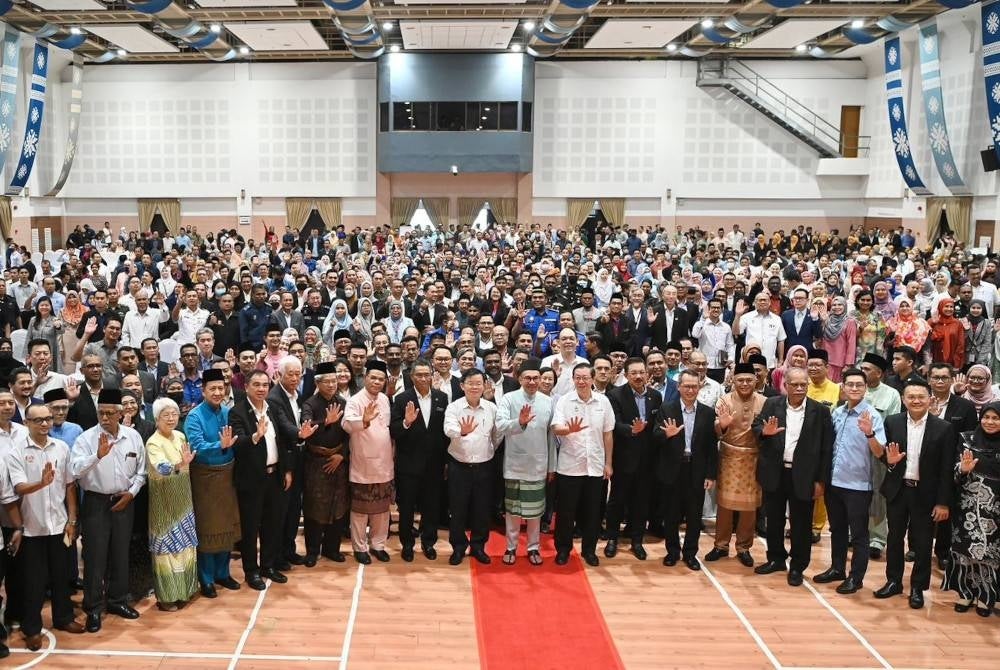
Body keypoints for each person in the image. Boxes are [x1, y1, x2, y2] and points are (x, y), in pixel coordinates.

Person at [7, 403, 85, 650]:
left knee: (62, 578)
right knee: (33, 582)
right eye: (38, 420)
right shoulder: (16, 452)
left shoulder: (61, 448)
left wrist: (72, 521)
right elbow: (19, 488)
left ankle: (63, 618)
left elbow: (70, 486)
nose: (44, 424)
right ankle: (31, 629)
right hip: (31, 529)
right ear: (27, 423)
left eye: (48, 419)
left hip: (59, 525)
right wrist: (41, 483)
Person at [70, 388, 147, 633]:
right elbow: (74, 471)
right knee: (95, 557)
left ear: (120, 413)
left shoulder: (133, 436)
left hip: (125, 501)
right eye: (101, 413)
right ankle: (93, 608)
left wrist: (131, 493)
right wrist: (97, 456)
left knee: (120, 553)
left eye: (109, 413)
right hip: (95, 503)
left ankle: (117, 600)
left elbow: (141, 472)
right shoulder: (85, 439)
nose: (104, 418)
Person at [874, 380, 955, 609]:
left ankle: (918, 587)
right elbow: (885, 456)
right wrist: (888, 463)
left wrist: (942, 503)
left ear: (930, 399)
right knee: (894, 538)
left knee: (922, 542)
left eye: (921, 397)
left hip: (926, 495)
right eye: (911, 397)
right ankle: (893, 581)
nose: (916, 401)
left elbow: (946, 469)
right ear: (903, 399)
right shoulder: (892, 422)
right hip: (898, 490)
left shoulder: (944, 428)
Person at [753, 367, 833, 586]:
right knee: (775, 520)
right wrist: (763, 432)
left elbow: (826, 449)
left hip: (805, 475)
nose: (799, 388)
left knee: (801, 524)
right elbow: (756, 426)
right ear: (785, 385)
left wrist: (821, 480)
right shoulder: (772, 404)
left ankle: (798, 566)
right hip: (775, 472)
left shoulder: (821, 411)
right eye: (795, 384)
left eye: (803, 384)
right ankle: (776, 558)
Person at [813, 368, 885, 596]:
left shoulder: (872, 415)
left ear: (865, 388)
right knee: (837, 530)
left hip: (858, 486)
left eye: (859, 385)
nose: (854, 388)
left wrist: (869, 434)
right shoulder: (837, 413)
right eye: (850, 385)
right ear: (842, 387)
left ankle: (856, 577)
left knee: (859, 535)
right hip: (834, 483)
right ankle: (837, 568)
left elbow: (880, 452)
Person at [229, 369, 296, 589]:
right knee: (250, 527)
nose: (261, 389)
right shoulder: (237, 412)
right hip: (251, 480)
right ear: (246, 386)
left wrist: (286, 470)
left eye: (265, 385)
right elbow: (237, 444)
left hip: (275, 475)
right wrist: (255, 437)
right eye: (256, 384)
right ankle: (251, 571)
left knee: (272, 523)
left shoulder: (273, 409)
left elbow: (283, 442)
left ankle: (268, 565)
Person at [183, 368, 241, 598]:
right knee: (208, 528)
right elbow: (195, 446)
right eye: (212, 389)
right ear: (203, 390)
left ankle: (223, 573)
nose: (217, 392)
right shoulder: (194, 416)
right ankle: (206, 578)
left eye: (220, 388)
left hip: (228, 475)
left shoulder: (229, 412)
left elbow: (238, 438)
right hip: (205, 477)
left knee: (226, 525)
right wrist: (221, 445)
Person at [551, 363, 614, 567]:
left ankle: (589, 550)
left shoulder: (603, 402)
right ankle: (563, 550)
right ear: (573, 379)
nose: (581, 381)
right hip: (569, 466)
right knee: (566, 513)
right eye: (577, 377)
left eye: (585, 377)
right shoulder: (564, 401)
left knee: (593, 513)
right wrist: (568, 429)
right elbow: (556, 428)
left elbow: (608, 434)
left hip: (595, 466)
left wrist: (609, 463)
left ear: (593, 379)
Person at [654, 369, 717, 571]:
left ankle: (690, 554)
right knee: (671, 514)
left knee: (694, 515)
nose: (690, 389)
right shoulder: (667, 408)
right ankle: (672, 552)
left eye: (694, 386)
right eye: (686, 386)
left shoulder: (707, 412)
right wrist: (667, 435)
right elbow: (654, 436)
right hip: (673, 469)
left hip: (696, 470)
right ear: (679, 387)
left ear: (699, 387)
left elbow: (710, 446)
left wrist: (711, 474)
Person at [495, 358, 555, 566]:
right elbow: (501, 424)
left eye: (535, 378)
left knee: (535, 513)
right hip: (514, 464)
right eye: (527, 378)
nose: (532, 382)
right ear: (519, 378)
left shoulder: (548, 401)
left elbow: (551, 437)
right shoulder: (509, 399)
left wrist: (552, 467)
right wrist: (518, 422)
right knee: (512, 511)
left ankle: (533, 547)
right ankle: (510, 547)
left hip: (538, 464)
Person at [943, 402, 1000, 615]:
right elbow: (952, 471)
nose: (990, 422)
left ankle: (987, 596)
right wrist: (963, 469)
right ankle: (965, 593)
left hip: (994, 509)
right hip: (965, 505)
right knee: (964, 549)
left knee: (989, 552)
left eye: (996, 418)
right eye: (986, 417)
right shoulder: (966, 439)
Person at [389, 358, 449, 562]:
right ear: (412, 377)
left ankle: (428, 542)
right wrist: (406, 422)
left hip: (434, 464)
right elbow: (394, 431)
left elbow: (445, 433)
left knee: (431, 507)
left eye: (427, 374)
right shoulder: (401, 399)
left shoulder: (442, 398)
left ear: (432, 375)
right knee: (406, 508)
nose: (423, 378)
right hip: (408, 465)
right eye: (419, 375)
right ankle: (407, 544)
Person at [144, 397, 199, 611]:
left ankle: (185, 591)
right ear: (156, 418)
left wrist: (184, 464)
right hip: (163, 501)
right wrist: (181, 464)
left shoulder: (180, 435)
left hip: (183, 497)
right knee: (166, 550)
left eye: (174, 414)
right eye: (165, 415)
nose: (170, 418)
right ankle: (167, 598)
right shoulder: (153, 441)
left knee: (185, 546)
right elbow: (161, 468)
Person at [708, 363, 765, 567]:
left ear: (756, 381)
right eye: (740, 379)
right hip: (729, 456)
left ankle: (744, 547)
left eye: (749, 380)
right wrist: (722, 424)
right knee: (724, 505)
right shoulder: (725, 400)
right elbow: (716, 427)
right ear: (733, 380)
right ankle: (721, 545)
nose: (744, 383)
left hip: (753, 458)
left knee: (749, 508)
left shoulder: (765, 402)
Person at [604, 357, 661, 561]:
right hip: (623, 458)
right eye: (634, 373)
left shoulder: (655, 396)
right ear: (626, 375)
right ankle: (612, 539)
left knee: (641, 502)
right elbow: (613, 424)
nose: (638, 376)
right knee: (617, 501)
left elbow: (656, 427)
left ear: (647, 374)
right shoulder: (615, 395)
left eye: (641, 372)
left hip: (647, 460)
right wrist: (631, 430)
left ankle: (637, 541)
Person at [444, 368, 501, 565]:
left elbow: (497, 435)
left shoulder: (492, 408)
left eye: (479, 383)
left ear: (485, 385)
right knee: (458, 509)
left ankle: (478, 546)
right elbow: (448, 429)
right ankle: (458, 547)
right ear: (462, 385)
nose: (475, 386)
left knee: (482, 509)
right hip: (459, 466)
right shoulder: (454, 407)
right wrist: (462, 431)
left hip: (485, 467)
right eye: (471, 383)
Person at [342, 359, 394, 564]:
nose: (377, 382)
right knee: (360, 511)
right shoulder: (355, 400)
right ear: (365, 378)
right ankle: (360, 547)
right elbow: (346, 425)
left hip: (384, 463)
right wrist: (364, 420)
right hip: (363, 463)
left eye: (381, 379)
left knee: (382, 510)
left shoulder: (385, 399)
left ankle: (378, 545)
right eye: (373, 377)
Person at [300, 361, 349, 565]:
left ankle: (332, 549)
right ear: (317, 383)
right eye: (327, 381)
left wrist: (342, 456)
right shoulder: (309, 404)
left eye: (334, 380)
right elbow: (306, 427)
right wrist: (325, 423)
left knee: (338, 506)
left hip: (338, 460)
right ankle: (312, 551)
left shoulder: (344, 403)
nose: (331, 385)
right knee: (314, 507)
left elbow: (350, 433)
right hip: (316, 462)